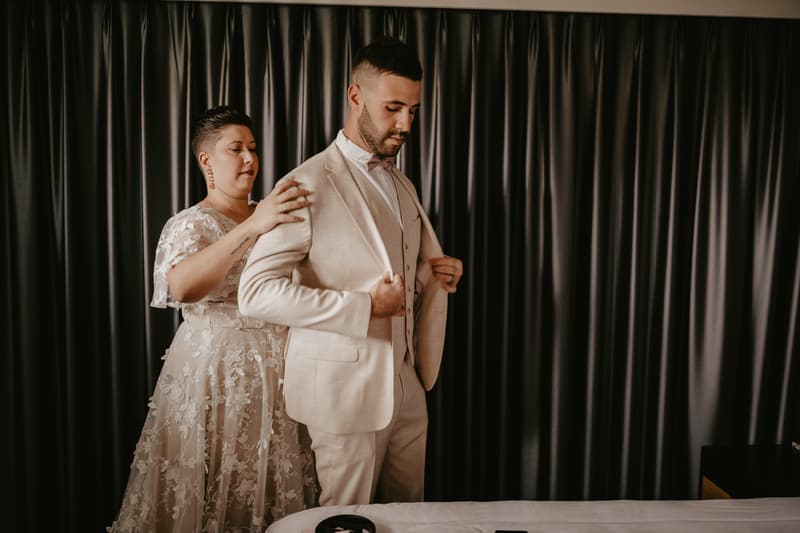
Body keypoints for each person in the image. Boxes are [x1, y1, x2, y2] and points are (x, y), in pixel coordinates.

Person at [238, 36, 463, 506]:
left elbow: (393, 269)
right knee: (345, 518)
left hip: (408, 384)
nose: (405, 125)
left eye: (414, 111)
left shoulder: (401, 180)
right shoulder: (306, 183)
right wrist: (364, 307)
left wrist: (431, 276)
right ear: (355, 95)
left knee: (410, 514)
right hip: (344, 394)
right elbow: (256, 293)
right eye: (393, 108)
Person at [109, 105, 317, 532]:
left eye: (253, 149)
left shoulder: (272, 212)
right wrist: (251, 228)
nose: (249, 159)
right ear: (206, 160)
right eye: (235, 149)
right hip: (216, 373)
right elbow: (182, 288)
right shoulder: (191, 223)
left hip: (283, 370)